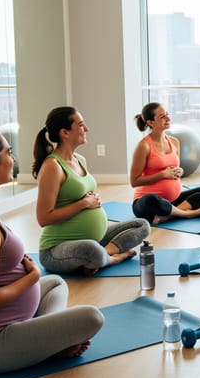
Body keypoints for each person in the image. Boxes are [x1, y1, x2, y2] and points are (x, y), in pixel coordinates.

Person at [0, 128, 104, 376]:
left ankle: (47, 340)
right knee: (92, 317)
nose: (13, 159)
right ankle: (50, 344)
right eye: (9, 153)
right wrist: (30, 278)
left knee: (56, 283)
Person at [33, 107, 150, 275]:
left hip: (94, 239)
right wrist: (83, 204)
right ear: (65, 132)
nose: (86, 129)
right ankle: (110, 258)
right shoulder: (53, 166)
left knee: (141, 225)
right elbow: (43, 218)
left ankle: (105, 253)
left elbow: (80, 195)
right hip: (56, 249)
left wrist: (92, 200)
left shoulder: (80, 160)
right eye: (81, 125)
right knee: (91, 249)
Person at [131, 102, 200, 223]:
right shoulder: (143, 146)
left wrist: (180, 171)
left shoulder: (174, 142)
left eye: (167, 114)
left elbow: (175, 168)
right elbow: (134, 181)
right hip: (149, 203)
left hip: (172, 200)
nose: (168, 118)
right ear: (150, 122)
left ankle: (172, 214)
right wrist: (162, 175)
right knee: (151, 200)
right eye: (162, 117)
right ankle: (186, 214)